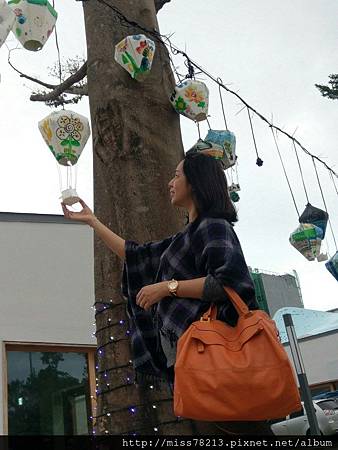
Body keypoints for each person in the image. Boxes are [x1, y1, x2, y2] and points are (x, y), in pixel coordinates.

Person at [62, 152, 272, 435]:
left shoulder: (213, 226)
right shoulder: (183, 238)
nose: (170, 182)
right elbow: (135, 254)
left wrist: (167, 287)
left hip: (219, 363)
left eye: (177, 175)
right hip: (192, 362)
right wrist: (93, 221)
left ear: (195, 182)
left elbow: (228, 284)